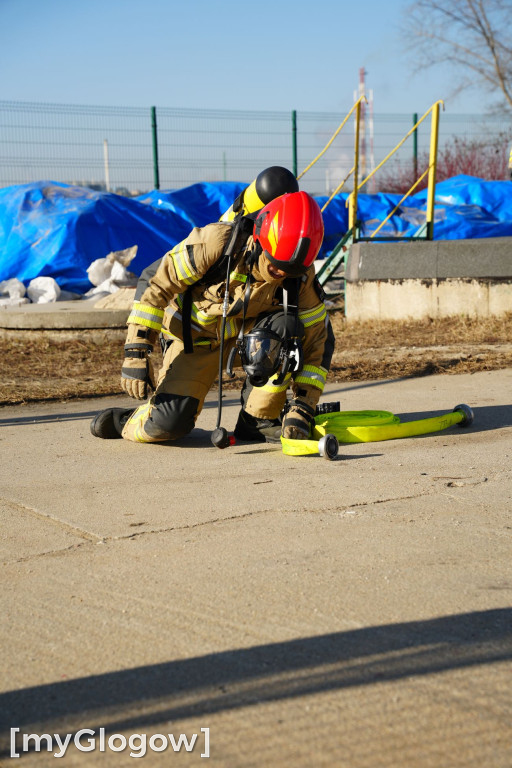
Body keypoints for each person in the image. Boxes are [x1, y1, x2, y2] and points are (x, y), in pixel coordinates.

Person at [90, 188, 335, 444]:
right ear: (259, 239)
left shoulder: (300, 276)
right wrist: (136, 351)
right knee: (168, 426)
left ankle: (258, 420)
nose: (280, 274)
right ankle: (129, 420)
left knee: (289, 328)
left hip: (241, 344)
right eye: (274, 263)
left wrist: (302, 407)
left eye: (289, 270)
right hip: (191, 343)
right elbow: (156, 283)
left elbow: (318, 340)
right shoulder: (218, 242)